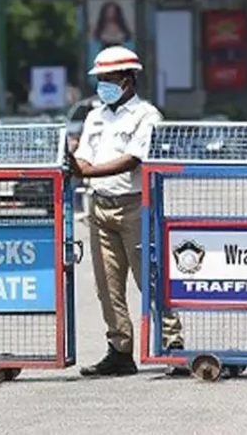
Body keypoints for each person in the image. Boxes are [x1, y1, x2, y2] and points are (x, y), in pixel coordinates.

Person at [67, 45, 188, 378]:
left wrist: (86, 172)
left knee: (150, 278)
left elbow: (134, 159)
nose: (102, 85)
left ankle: (172, 345)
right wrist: (71, 161)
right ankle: (120, 350)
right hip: (100, 206)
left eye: (108, 78)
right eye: (100, 79)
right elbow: (83, 157)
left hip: (136, 207)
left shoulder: (146, 116)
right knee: (107, 285)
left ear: (127, 80)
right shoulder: (95, 115)